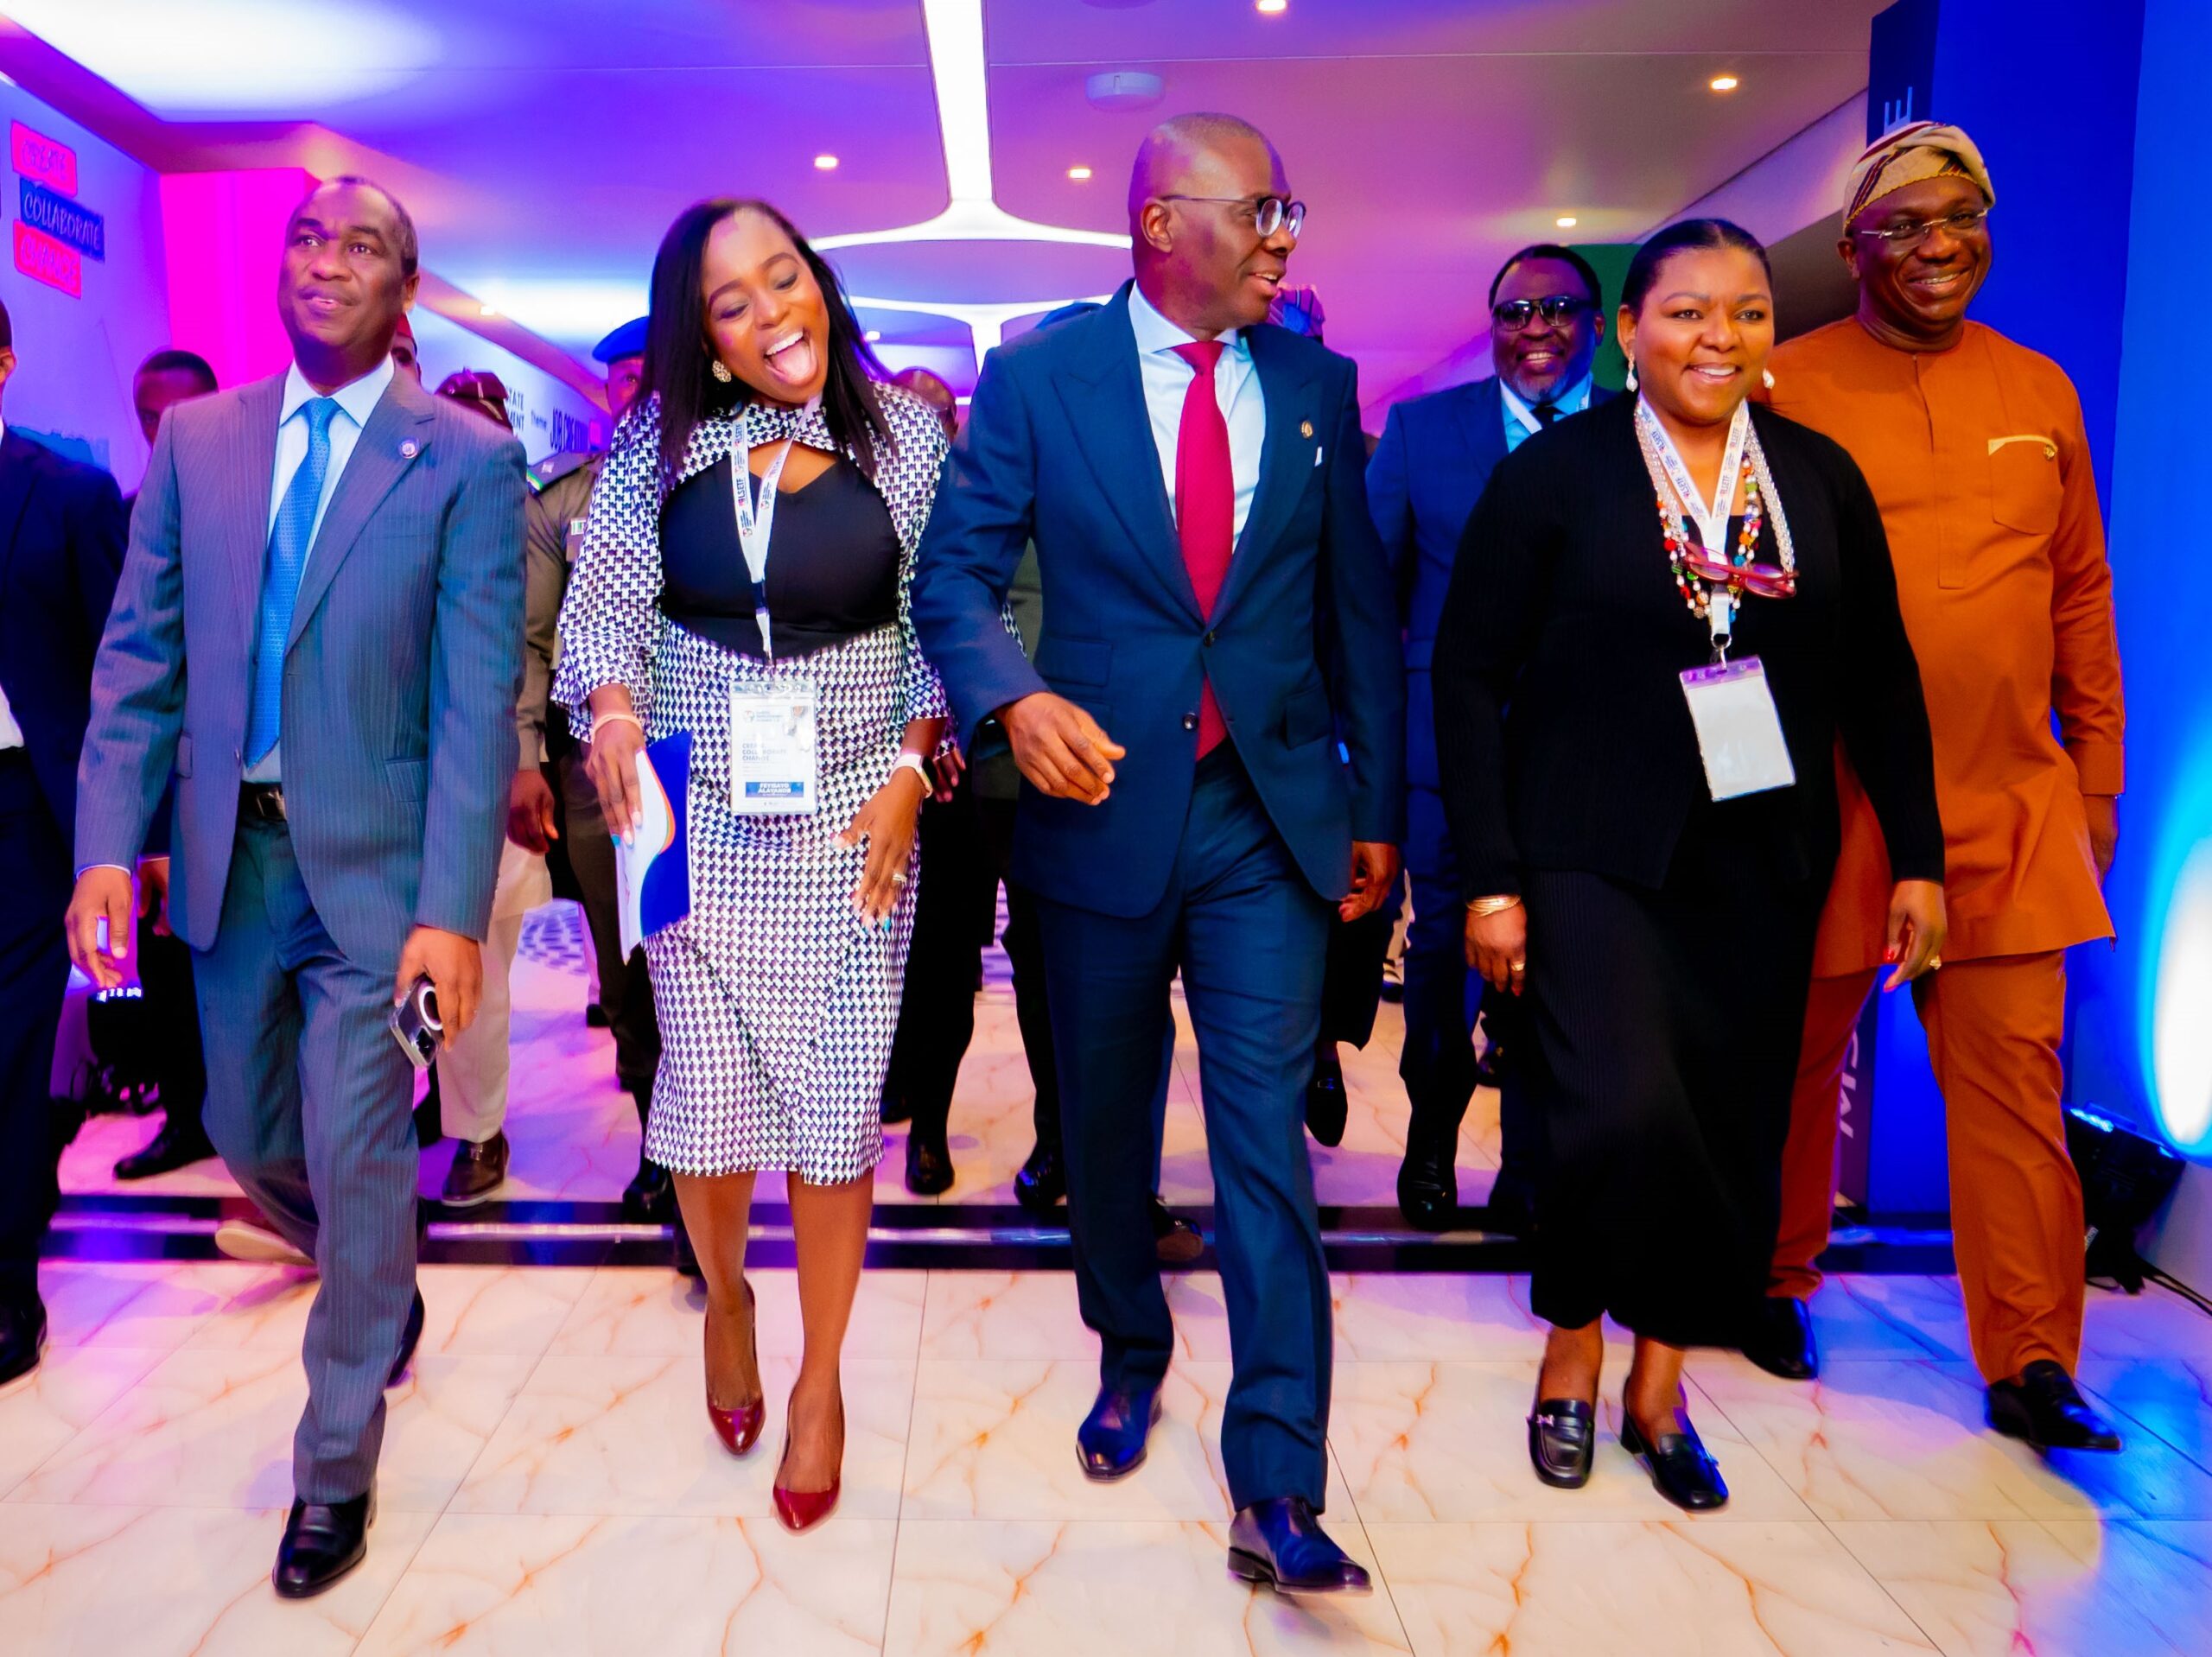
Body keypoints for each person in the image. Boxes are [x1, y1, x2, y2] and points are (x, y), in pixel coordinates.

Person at [913, 112, 1402, 1596]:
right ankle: (1129, 1350)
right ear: (1159, 224)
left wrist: (1376, 806)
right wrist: (1015, 696)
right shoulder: (1040, 379)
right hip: (1099, 805)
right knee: (1109, 1124)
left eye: (1289, 211)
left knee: (1262, 1136)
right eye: (1261, 210)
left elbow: (1354, 610)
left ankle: (1279, 1473)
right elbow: (955, 574)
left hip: (1265, 815)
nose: (1283, 239)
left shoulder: (1314, 384)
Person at [1433, 218, 1946, 1512]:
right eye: (1686, 312)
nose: (1720, 337)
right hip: (1589, 852)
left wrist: (1919, 857)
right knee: (1613, 1110)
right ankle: (1571, 1347)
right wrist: (1491, 878)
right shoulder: (1557, 476)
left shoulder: (1817, 478)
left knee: (1725, 1122)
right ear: (1630, 331)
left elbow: (1881, 676)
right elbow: (1468, 672)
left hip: (1763, 854)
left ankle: (1659, 1386)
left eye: (1747, 312)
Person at [67, 176, 525, 1595]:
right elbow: (139, 657)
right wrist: (106, 844)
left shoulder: (464, 461)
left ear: (406, 288)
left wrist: (450, 912)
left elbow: (473, 703)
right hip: (231, 863)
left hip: (381, 875)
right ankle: (373, 1271)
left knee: (359, 1142)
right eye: (307, 237)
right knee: (251, 1133)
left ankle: (334, 1467)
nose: (327, 261)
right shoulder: (199, 441)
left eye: (362, 244)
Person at [555, 198, 951, 1534]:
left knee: (835, 1115)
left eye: (785, 278)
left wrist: (913, 772)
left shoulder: (904, 439)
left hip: (855, 815)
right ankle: (726, 1296)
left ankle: (820, 1379)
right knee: (708, 1103)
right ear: (706, 338)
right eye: (733, 302)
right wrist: (613, 714)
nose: (773, 313)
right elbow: (605, 605)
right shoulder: (655, 447)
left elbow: (939, 626)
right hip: (683, 811)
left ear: (818, 283)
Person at [1750, 124, 2128, 1453]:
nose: (1938, 246)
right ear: (1853, 249)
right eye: (1904, 225)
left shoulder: (2041, 388)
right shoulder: (1785, 386)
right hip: (1834, 798)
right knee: (1795, 1060)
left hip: (2009, 802)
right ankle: (1774, 1278)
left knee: (2017, 1088)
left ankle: (2033, 1356)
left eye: (1960, 218)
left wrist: (2096, 782)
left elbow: (2080, 594)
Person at [1367, 244, 1616, 1229]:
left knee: (1563, 955)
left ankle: (1530, 1162)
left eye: (1558, 309)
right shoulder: (1423, 431)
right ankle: (1431, 1136)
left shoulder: (1637, 429)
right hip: (1445, 753)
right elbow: (1371, 599)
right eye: (1515, 312)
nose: (1536, 328)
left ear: (1598, 323)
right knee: (1441, 954)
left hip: (1589, 758)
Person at [0, 298, 130, 1387]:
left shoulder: (68, 496)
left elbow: (124, 680)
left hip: (19, 814)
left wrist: (127, 841)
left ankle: (5, 1284)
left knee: (5, 1054)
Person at [520, 315, 670, 1220]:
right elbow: (534, 641)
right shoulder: (565, 498)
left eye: (652, 372)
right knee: (626, 968)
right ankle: (660, 1148)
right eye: (621, 378)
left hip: (715, 763)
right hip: (594, 768)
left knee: (706, 965)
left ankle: (716, 1154)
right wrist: (523, 757)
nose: (636, 389)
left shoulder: (730, 479)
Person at [423, 371, 545, 1205]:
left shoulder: (522, 524)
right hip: (399, 779)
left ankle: (476, 1131)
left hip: (493, 773)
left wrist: (522, 760)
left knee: (479, 968)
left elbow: (524, 651)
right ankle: (426, 1110)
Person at [112, 347, 223, 1183]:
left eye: (174, 415)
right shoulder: (122, 516)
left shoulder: (266, 507)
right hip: (164, 788)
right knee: (166, 959)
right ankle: (187, 1116)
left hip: (251, 782)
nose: (161, 433)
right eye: (148, 418)